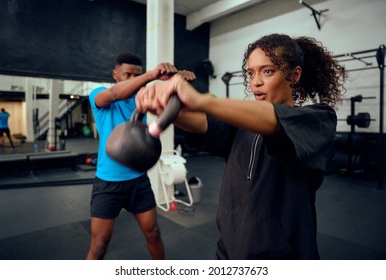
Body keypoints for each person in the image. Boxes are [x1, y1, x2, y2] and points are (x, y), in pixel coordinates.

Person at [136, 34, 347, 259]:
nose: (255, 81)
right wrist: (163, 106)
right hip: (229, 251)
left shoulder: (318, 120)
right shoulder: (240, 126)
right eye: (251, 73)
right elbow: (201, 122)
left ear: (294, 76)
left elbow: (274, 120)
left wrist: (201, 99)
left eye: (267, 71)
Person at [86, 52, 195, 260]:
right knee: (99, 245)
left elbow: (173, 108)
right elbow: (114, 95)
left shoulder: (142, 97)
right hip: (108, 183)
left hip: (138, 181)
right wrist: (149, 75)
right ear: (115, 74)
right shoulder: (99, 94)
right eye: (127, 75)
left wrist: (179, 82)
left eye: (136, 75)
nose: (132, 80)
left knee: (153, 233)